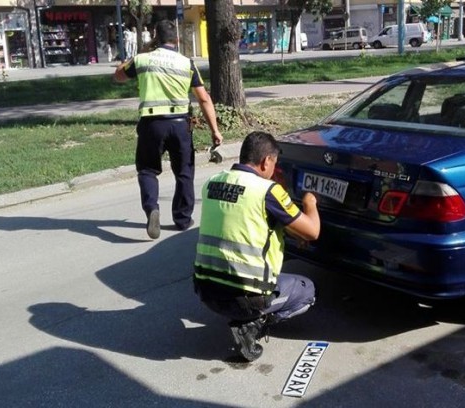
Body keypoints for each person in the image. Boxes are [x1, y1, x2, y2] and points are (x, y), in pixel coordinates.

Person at [193, 131, 321, 361]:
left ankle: (245, 315)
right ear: (266, 161)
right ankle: (251, 324)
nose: (274, 170)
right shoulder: (268, 192)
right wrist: (310, 202)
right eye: (275, 164)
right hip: (246, 299)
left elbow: (245, 220)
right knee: (307, 290)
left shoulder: (212, 183)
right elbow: (312, 231)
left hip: (206, 293)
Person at [113, 20, 222, 239]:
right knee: (184, 172)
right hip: (181, 125)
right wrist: (215, 131)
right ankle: (182, 219)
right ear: (177, 39)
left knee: (147, 170)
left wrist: (143, 50)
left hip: (152, 125)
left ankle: (152, 208)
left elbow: (118, 76)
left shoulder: (142, 60)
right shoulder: (186, 63)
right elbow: (204, 98)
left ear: (155, 36)